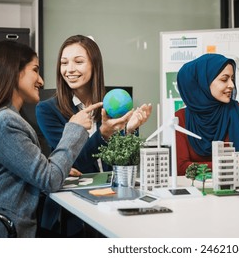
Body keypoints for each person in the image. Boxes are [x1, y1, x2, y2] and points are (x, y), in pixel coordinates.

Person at [0, 41, 101, 237]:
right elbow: (49, 180)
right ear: (13, 73)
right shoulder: (5, 122)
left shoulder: (1, 117)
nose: (41, 81)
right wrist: (74, 128)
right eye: (35, 70)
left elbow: (30, 171)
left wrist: (55, 167)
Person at [35, 35, 152, 235]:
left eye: (78, 61)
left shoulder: (114, 103)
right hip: (69, 209)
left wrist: (130, 131)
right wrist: (103, 134)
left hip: (113, 200)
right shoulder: (47, 110)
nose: (69, 69)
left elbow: (126, 165)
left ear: (95, 65)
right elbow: (74, 162)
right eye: (64, 63)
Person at [175, 53, 239, 176]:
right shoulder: (180, 119)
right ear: (203, 82)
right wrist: (234, 164)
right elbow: (181, 168)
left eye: (232, 79)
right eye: (224, 79)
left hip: (236, 191)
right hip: (195, 192)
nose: (231, 85)